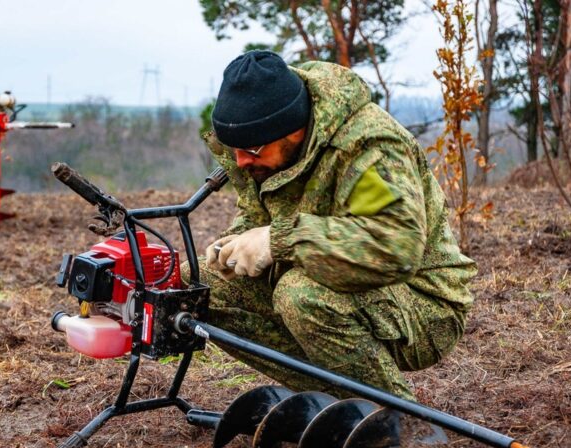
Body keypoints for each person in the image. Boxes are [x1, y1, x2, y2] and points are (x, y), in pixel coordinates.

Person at [197, 50, 477, 401]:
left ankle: (398, 419)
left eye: (251, 150)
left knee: (301, 295)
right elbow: (259, 213)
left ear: (293, 130)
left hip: (421, 301)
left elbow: (393, 246)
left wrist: (280, 239)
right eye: (232, 149)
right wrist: (237, 242)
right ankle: (335, 400)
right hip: (331, 277)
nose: (240, 161)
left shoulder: (365, 150)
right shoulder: (260, 148)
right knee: (203, 288)